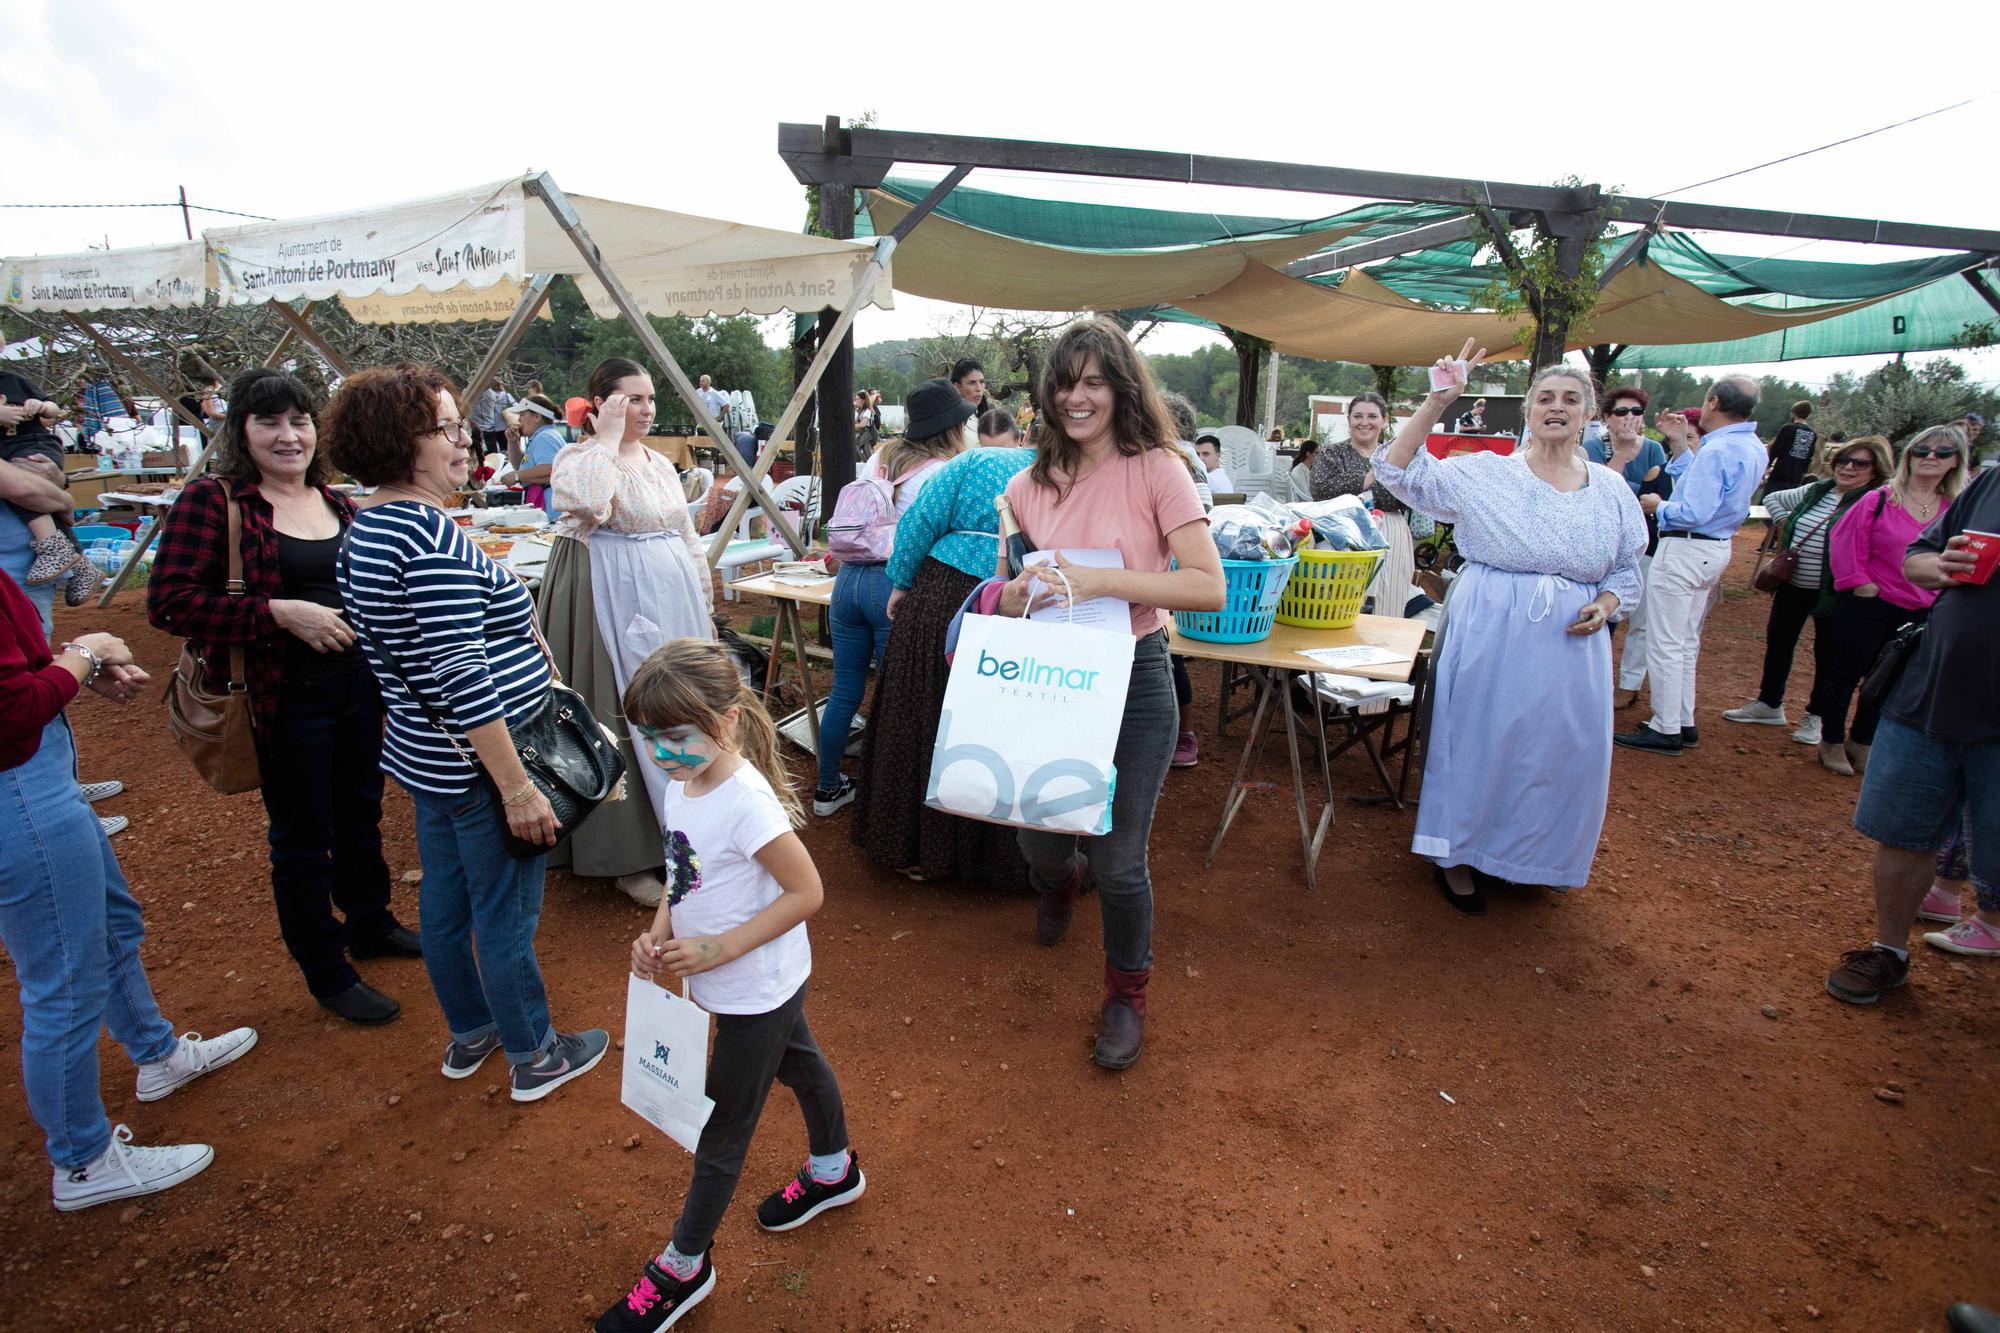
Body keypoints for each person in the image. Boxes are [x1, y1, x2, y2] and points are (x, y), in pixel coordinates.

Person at [325, 363, 609, 1101]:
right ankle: (536, 1053)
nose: (463, 439)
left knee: (448, 909)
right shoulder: (423, 535)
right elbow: (463, 674)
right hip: (485, 766)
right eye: (447, 427)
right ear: (400, 442)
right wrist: (516, 786)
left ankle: (472, 1030)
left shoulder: (370, 527)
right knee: (505, 914)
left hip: (431, 762)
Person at [599, 639, 861, 1333]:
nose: (661, 752)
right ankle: (834, 1168)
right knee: (800, 1061)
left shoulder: (746, 801)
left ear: (727, 721)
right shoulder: (685, 783)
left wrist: (721, 947)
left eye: (676, 736)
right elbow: (681, 869)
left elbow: (808, 891)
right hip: (738, 982)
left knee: (722, 1125)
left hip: (756, 987)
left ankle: (686, 1264)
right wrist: (659, 926)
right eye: (648, 737)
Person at [148, 368, 418, 1025]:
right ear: (241, 429)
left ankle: (370, 922)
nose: (288, 435)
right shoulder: (216, 503)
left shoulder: (339, 501)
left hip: (357, 687)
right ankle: (326, 969)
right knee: (303, 834)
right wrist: (279, 613)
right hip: (280, 694)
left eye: (299, 420)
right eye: (269, 421)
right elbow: (170, 601)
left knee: (360, 811)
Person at [996, 316, 1225, 1069]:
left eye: (1094, 380)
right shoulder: (1025, 485)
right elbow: (1009, 593)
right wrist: (1016, 594)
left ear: (1121, 387)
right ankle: (1059, 879)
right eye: (1065, 382)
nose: (1077, 396)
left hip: (1135, 674)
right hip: (1049, 682)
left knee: (1123, 856)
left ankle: (1126, 994)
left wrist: (1102, 581)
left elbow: (1207, 587)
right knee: (1038, 834)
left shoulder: (1158, 467)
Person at [1, 569, 259, 1211]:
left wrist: (69, 671)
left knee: (113, 924)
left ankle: (157, 1055)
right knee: (63, 980)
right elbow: (9, 711)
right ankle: (83, 1162)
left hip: (38, 777)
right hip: (17, 789)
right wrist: (85, 653)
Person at [1373, 344, 1644, 915]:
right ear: (1527, 412)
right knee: (1479, 737)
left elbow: (1625, 567)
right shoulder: (1485, 472)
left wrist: (1610, 602)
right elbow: (1396, 470)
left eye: (1571, 399)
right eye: (1545, 397)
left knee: (1557, 750)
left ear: (1588, 414)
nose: (1557, 406)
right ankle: (1459, 854)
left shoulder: (1611, 489)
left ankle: (1530, 855)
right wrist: (1439, 399)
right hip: (1491, 624)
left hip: (1572, 641)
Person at [538, 358, 715, 905]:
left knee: (679, 704)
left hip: (671, 597)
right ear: (602, 404)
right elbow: (588, 503)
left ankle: (692, 832)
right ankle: (626, 853)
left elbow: (684, 531)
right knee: (619, 709)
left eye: (649, 399)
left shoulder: (660, 464)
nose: (645, 409)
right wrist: (606, 438)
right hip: (609, 597)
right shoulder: (578, 458)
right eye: (631, 399)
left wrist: (703, 599)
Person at [1823, 462, 1999, 1004]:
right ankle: (1889, 950)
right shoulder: (1993, 484)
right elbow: (1918, 558)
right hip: (1927, 694)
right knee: (1901, 830)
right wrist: (1937, 565)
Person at [848, 407, 1034, 887]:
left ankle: (911, 848)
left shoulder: (972, 464)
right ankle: (1009, 861)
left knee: (922, 715)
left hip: (942, 595)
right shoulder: (1067, 476)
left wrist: (900, 582)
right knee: (1005, 724)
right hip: (1027, 596)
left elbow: (918, 525)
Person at [813, 380, 964, 816]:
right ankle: (886, 802)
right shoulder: (945, 471)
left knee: (845, 690)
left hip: (848, 582)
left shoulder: (882, 456)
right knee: (894, 696)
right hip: (894, 586)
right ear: (953, 427)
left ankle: (827, 789)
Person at [1614, 377, 1768, 757]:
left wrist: (1656, 506)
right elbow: (1699, 486)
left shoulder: (1719, 449)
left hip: (1686, 547)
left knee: (1666, 641)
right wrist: (1680, 445)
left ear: (1713, 402)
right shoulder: (1747, 445)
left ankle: (1666, 726)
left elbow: (1693, 510)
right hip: (1712, 549)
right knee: (1684, 641)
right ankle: (1680, 721)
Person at [1811, 425, 1969, 775]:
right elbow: (1843, 540)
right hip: (1869, 602)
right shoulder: (1880, 498)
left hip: (1922, 608)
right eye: (1921, 450)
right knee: (1844, 674)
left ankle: (1862, 741)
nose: (1930, 457)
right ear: (1908, 455)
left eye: (1942, 453)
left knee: (1889, 679)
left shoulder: (1956, 508)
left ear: (1955, 461)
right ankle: (1832, 741)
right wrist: (1860, 583)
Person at [1720, 436, 1890, 733]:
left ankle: (1816, 716)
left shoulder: (1873, 502)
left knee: (1829, 654)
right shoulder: (1817, 490)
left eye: (1859, 463)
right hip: (1794, 583)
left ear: (1875, 470)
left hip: (1836, 592)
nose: (1848, 467)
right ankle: (1769, 703)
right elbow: (1772, 498)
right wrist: (1787, 520)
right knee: (1779, 643)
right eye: (1842, 461)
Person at [1, 351, 97, 606]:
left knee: (31, 489)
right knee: (28, 495)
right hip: (13, 566)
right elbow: (21, 489)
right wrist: (63, 501)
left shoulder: (12, 380)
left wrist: (41, 407)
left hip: (31, 443)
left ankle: (64, 554)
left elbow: (52, 411)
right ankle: (75, 560)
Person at [1310, 391, 1419, 615]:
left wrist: (1358, 486)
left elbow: (1405, 494)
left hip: (1391, 529)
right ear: (1349, 419)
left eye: (1372, 416)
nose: (1364, 422)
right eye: (1358, 416)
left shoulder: (1397, 454)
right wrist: (1367, 479)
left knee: (1390, 600)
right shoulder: (1333, 453)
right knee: (1342, 600)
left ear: (1384, 420)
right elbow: (1321, 490)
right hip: (1343, 531)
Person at [500, 394, 566, 520]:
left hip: (551, 506)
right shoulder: (541, 436)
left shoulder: (544, 438)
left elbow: (549, 469)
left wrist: (516, 476)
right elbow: (521, 465)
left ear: (536, 416)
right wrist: (513, 442)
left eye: (522, 415)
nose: (519, 420)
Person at [1765, 400, 1819, 494]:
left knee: (1768, 500)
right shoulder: (1812, 434)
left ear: (1793, 413)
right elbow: (1809, 456)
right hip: (1797, 476)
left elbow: (1776, 449)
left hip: (1780, 473)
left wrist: (1767, 465)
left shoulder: (1788, 428)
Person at [469, 382, 516, 457]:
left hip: (480, 429)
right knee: (497, 453)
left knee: (484, 455)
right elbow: (515, 405)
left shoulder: (472, 394)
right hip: (494, 427)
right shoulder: (494, 394)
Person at [1287, 438, 1319, 503]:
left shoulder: (1307, 468)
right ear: (1308, 454)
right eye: (1316, 453)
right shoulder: (1299, 471)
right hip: (1307, 506)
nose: (1319, 456)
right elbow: (1305, 496)